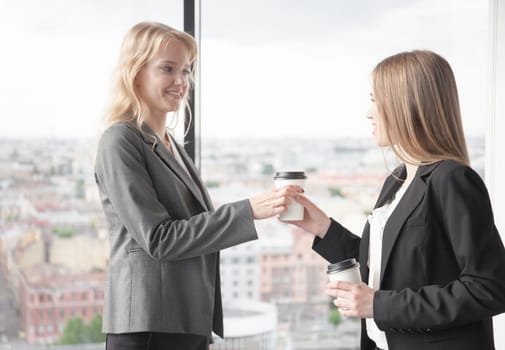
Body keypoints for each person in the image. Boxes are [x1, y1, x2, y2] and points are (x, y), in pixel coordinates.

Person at [94, 21, 302, 350]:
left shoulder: (171, 146)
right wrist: (249, 210)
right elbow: (159, 239)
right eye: (168, 69)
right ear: (136, 73)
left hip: (184, 320)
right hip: (149, 326)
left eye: (187, 71)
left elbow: (193, 230)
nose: (181, 82)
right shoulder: (120, 140)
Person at [291, 50, 505, 350]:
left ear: (407, 105)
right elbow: (387, 265)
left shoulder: (451, 179)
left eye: (375, 100)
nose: (369, 113)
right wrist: (322, 227)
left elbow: (489, 288)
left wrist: (378, 305)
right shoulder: (398, 180)